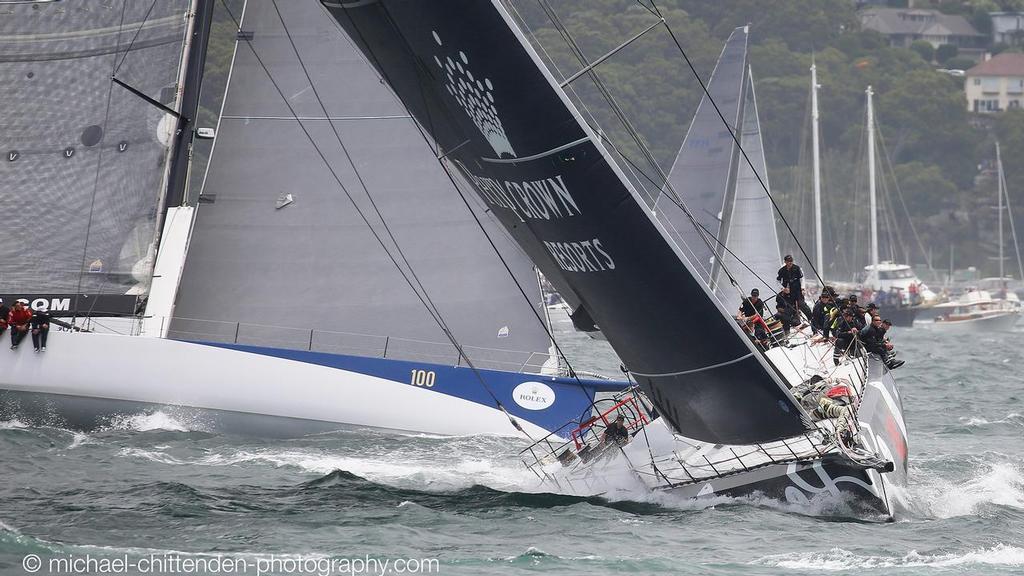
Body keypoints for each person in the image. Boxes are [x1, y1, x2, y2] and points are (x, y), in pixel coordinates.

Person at [776, 255, 814, 321]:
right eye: (788, 261)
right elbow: (777, 281)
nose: (790, 263)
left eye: (791, 261)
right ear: (785, 262)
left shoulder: (797, 268)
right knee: (790, 307)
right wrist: (783, 289)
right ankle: (794, 321)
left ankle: (811, 319)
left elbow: (802, 279)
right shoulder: (782, 270)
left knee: (802, 304)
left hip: (797, 291)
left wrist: (802, 288)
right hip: (788, 293)